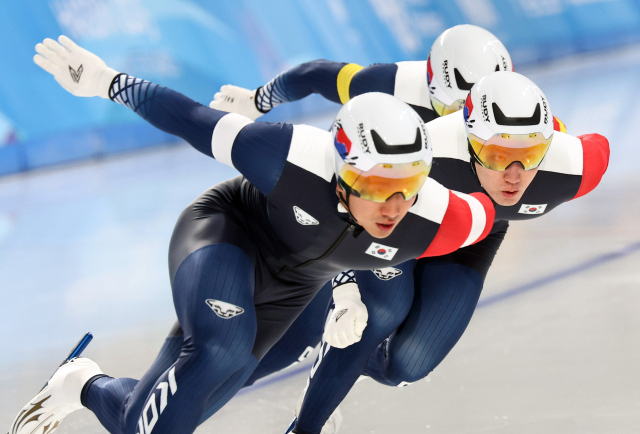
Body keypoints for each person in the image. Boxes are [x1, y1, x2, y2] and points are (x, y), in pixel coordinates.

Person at [10, 35, 495, 434]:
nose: (392, 207)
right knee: (221, 348)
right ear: (341, 170)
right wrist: (105, 80)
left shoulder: (434, 218)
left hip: (299, 283)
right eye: (373, 185)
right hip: (228, 235)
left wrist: (346, 291)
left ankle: (84, 384)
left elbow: (499, 203)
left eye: (406, 188)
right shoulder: (290, 156)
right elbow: (190, 119)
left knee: (156, 421)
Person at [209, 28, 609, 434]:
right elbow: (315, 79)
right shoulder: (397, 94)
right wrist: (257, 100)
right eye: (453, 108)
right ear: (430, 88)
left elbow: (575, 152)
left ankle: (333, 365)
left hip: (470, 226)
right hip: (392, 208)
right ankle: (218, 389)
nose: (461, 119)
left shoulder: (542, 142)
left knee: (407, 364)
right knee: (369, 315)